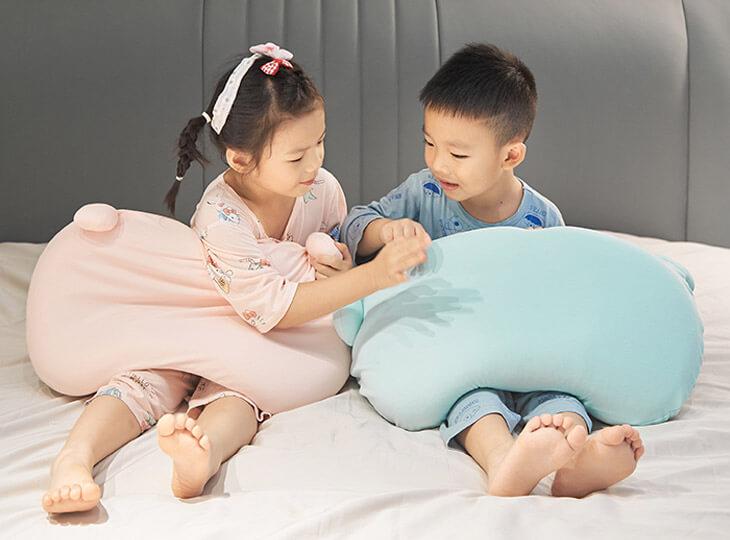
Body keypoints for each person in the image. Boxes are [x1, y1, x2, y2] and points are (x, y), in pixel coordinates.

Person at [40, 42, 429, 514]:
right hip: (197, 322)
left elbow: (327, 259)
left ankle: (201, 457)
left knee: (243, 397)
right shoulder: (221, 216)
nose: (315, 163)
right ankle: (74, 458)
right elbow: (272, 308)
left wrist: (345, 268)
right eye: (296, 157)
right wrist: (373, 277)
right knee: (148, 379)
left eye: (320, 142)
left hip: (249, 345)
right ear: (240, 159)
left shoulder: (321, 189)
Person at [341, 43, 644, 498]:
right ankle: (503, 461)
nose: (438, 163)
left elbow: (567, 293)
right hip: (460, 352)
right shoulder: (423, 194)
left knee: (562, 397)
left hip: (527, 349)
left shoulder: (543, 219)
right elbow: (351, 225)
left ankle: (576, 460)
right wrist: (385, 230)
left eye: (458, 154)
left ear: (510, 156)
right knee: (471, 401)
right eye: (429, 143)